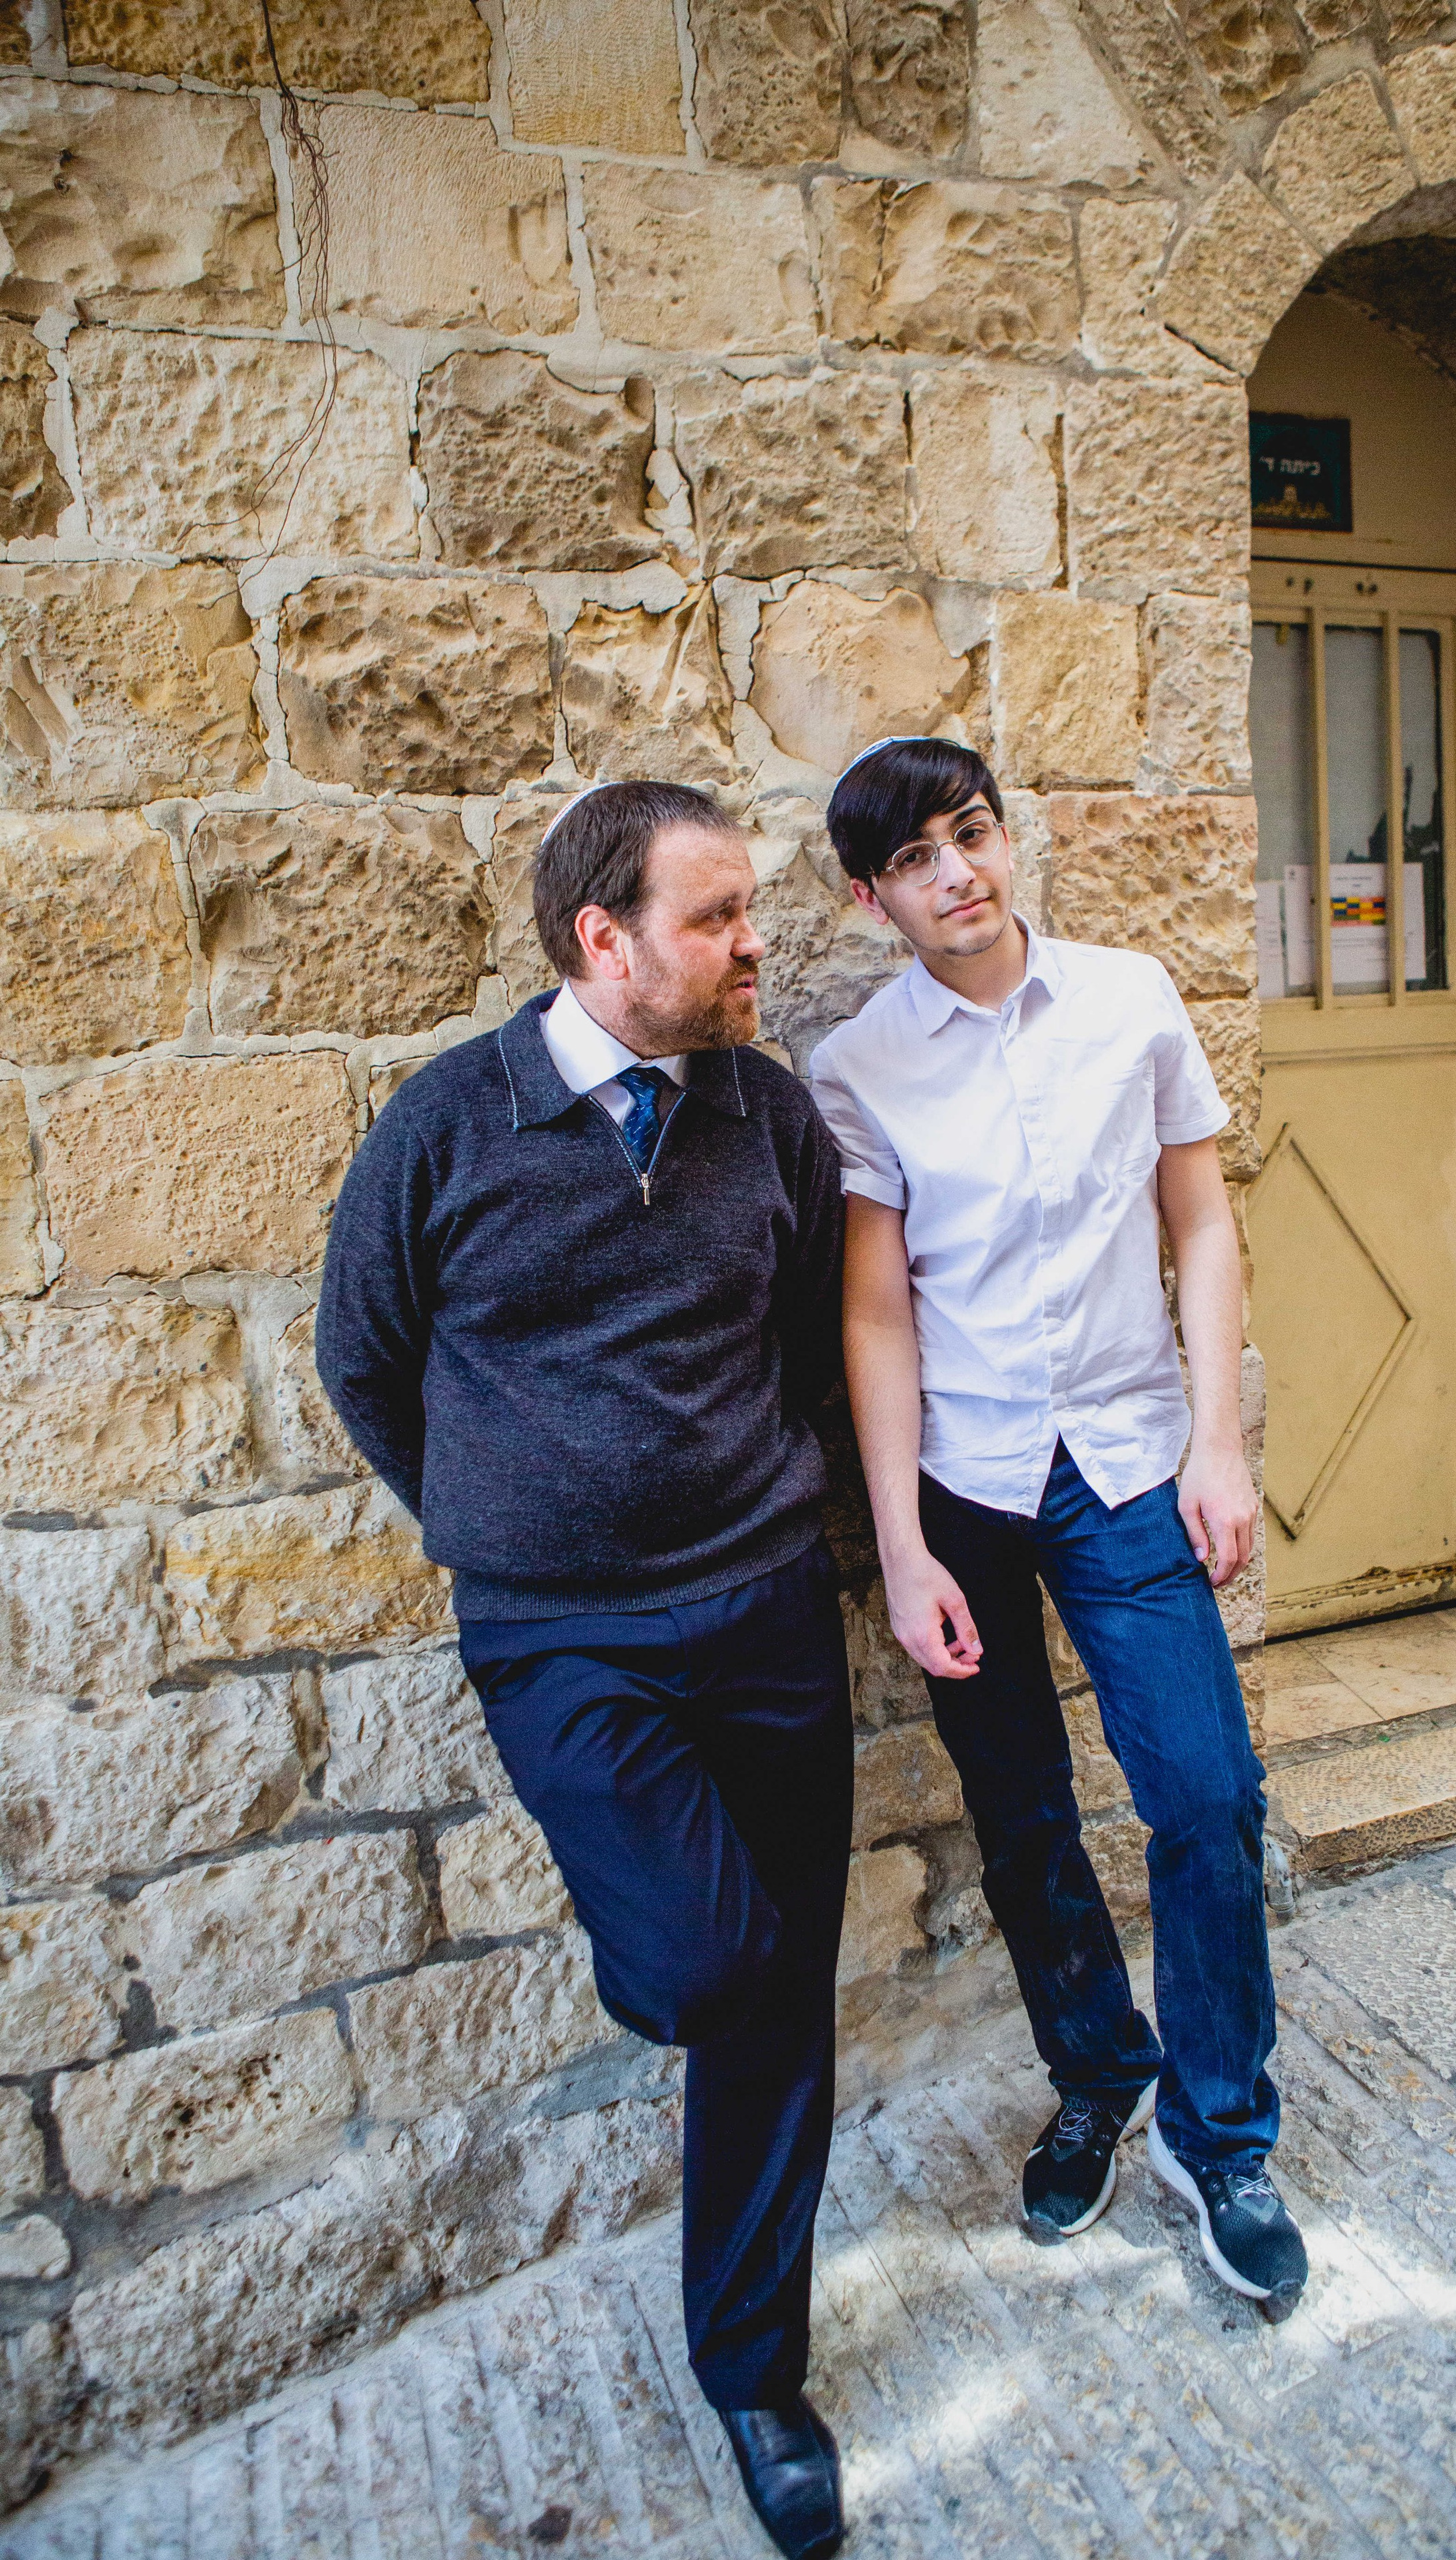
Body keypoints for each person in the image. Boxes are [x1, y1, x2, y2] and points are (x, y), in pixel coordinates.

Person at [318, 780, 851, 2559]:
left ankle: (755, 2377)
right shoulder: (448, 1128)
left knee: (785, 1998)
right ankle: (677, 1974)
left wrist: (775, 1509)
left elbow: (800, 1348)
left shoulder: (768, 1117)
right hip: (558, 1635)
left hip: (767, 1605)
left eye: (748, 908)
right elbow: (365, 1360)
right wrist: (503, 1514)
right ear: (600, 941)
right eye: (717, 918)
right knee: (716, 1962)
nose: (756, 942)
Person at [809, 737, 1309, 2323]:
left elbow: (1201, 1215)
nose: (955, 873)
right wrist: (897, 1541)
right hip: (963, 1480)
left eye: (970, 835)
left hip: (1122, 1461)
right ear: (869, 895)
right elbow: (875, 1315)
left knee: (1205, 1794)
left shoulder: (1129, 996)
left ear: (1002, 839)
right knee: (1020, 1812)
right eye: (913, 860)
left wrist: (1215, 1440)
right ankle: (1097, 2074)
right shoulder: (856, 1069)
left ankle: (1221, 2135)